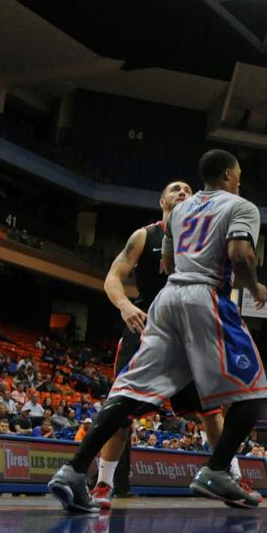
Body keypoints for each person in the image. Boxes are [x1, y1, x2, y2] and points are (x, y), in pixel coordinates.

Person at [47, 150, 267, 513]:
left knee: (131, 394)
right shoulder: (241, 205)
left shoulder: (179, 211)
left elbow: (167, 255)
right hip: (206, 296)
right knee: (254, 392)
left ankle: (73, 470)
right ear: (229, 174)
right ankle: (216, 469)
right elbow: (241, 254)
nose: (240, 180)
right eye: (238, 174)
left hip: (165, 303)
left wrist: (176, 261)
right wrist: (255, 286)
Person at [93, 179, 233, 510]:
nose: (182, 193)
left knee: (211, 412)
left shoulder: (205, 238)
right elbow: (113, 277)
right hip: (147, 329)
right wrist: (126, 306)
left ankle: (230, 476)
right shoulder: (145, 235)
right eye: (174, 189)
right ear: (162, 201)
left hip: (191, 332)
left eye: (188, 190)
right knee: (121, 411)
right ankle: (103, 484)